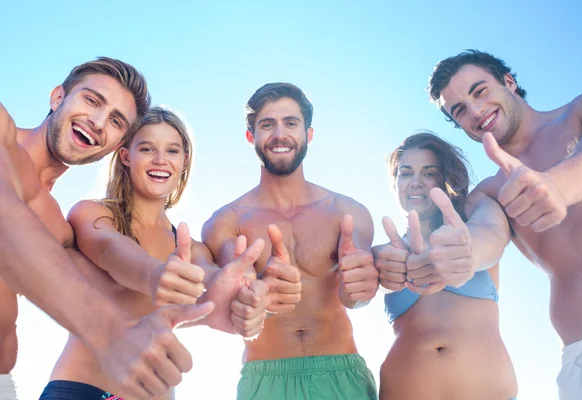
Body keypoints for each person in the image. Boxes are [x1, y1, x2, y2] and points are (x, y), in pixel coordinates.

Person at [0, 58, 212, 400]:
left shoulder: (57, 227)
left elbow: (119, 281)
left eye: (116, 121)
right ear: (57, 97)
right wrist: (107, 331)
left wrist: (231, 296)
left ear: (117, 145)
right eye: (91, 100)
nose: (98, 122)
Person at [39, 107, 270, 399]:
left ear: (184, 161)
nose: (160, 160)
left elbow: (211, 282)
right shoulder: (92, 214)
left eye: (172, 151)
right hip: (82, 390)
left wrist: (239, 295)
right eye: (147, 148)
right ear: (126, 156)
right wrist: (156, 273)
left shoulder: (191, 248)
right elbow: (112, 250)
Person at [428, 49, 582, 399]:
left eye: (480, 91)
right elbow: (487, 234)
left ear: (509, 82)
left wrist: (558, 185)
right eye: (459, 110)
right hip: (580, 358)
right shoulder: (489, 191)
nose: (475, 112)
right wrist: (467, 254)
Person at [201, 83, 380, 400]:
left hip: (341, 375)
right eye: (267, 124)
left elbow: (357, 295)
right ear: (251, 137)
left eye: (291, 123)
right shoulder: (226, 221)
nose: (279, 134)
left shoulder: (348, 212)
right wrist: (257, 293)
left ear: (308, 134)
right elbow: (237, 295)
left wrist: (361, 290)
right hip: (266, 378)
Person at [374, 132, 517, 400]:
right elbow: (354, 294)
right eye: (405, 173)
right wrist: (376, 262)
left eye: (429, 173)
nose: (416, 182)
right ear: (395, 184)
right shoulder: (385, 253)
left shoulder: (475, 214)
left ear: (445, 179)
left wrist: (465, 254)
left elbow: (492, 235)